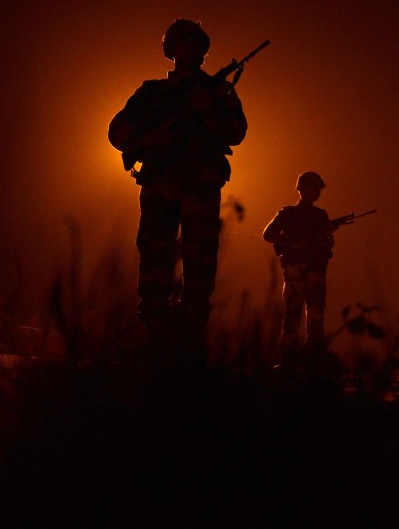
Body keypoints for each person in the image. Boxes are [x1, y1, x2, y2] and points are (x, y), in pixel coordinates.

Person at [108, 19, 247, 361]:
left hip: (200, 189)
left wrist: (208, 112)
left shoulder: (219, 92)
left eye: (194, 43)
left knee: (200, 270)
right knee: (155, 264)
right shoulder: (152, 93)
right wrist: (145, 139)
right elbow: (117, 133)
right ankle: (157, 342)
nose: (188, 49)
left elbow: (236, 133)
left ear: (203, 51)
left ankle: (189, 347)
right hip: (161, 187)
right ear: (171, 50)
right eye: (181, 43)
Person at [262, 171, 338, 361]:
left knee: (315, 312)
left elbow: (328, 243)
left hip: (315, 269)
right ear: (302, 189)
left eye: (318, 188)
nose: (316, 192)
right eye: (313, 187)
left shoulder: (320, 216)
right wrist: (293, 243)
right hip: (295, 268)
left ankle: (312, 354)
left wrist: (323, 236)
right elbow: (268, 235)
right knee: (293, 311)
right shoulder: (288, 213)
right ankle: (288, 355)